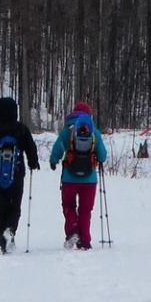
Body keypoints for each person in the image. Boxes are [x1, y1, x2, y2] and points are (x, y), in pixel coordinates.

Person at [0, 96, 39, 253]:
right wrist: (33, 162)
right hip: (17, 173)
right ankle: (10, 230)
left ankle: (2, 239)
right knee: (15, 206)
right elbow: (31, 147)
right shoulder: (21, 129)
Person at [48, 101, 108, 250]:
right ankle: (85, 241)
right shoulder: (94, 133)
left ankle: (72, 230)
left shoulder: (67, 131)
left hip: (69, 178)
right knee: (85, 210)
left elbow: (57, 149)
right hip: (89, 179)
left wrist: (53, 161)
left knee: (68, 206)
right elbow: (102, 156)